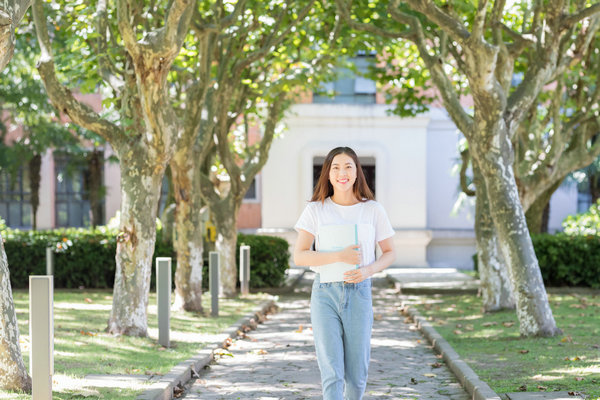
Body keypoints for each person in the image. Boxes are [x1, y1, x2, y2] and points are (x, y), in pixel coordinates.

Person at [293, 146, 396, 400]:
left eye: (348, 166)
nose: (342, 173)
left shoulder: (373, 209)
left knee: (357, 373)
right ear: (327, 174)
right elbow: (300, 255)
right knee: (332, 371)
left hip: (359, 293)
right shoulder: (316, 210)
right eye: (335, 167)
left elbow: (390, 252)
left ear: (357, 172)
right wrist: (338, 256)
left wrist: (368, 270)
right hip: (325, 294)